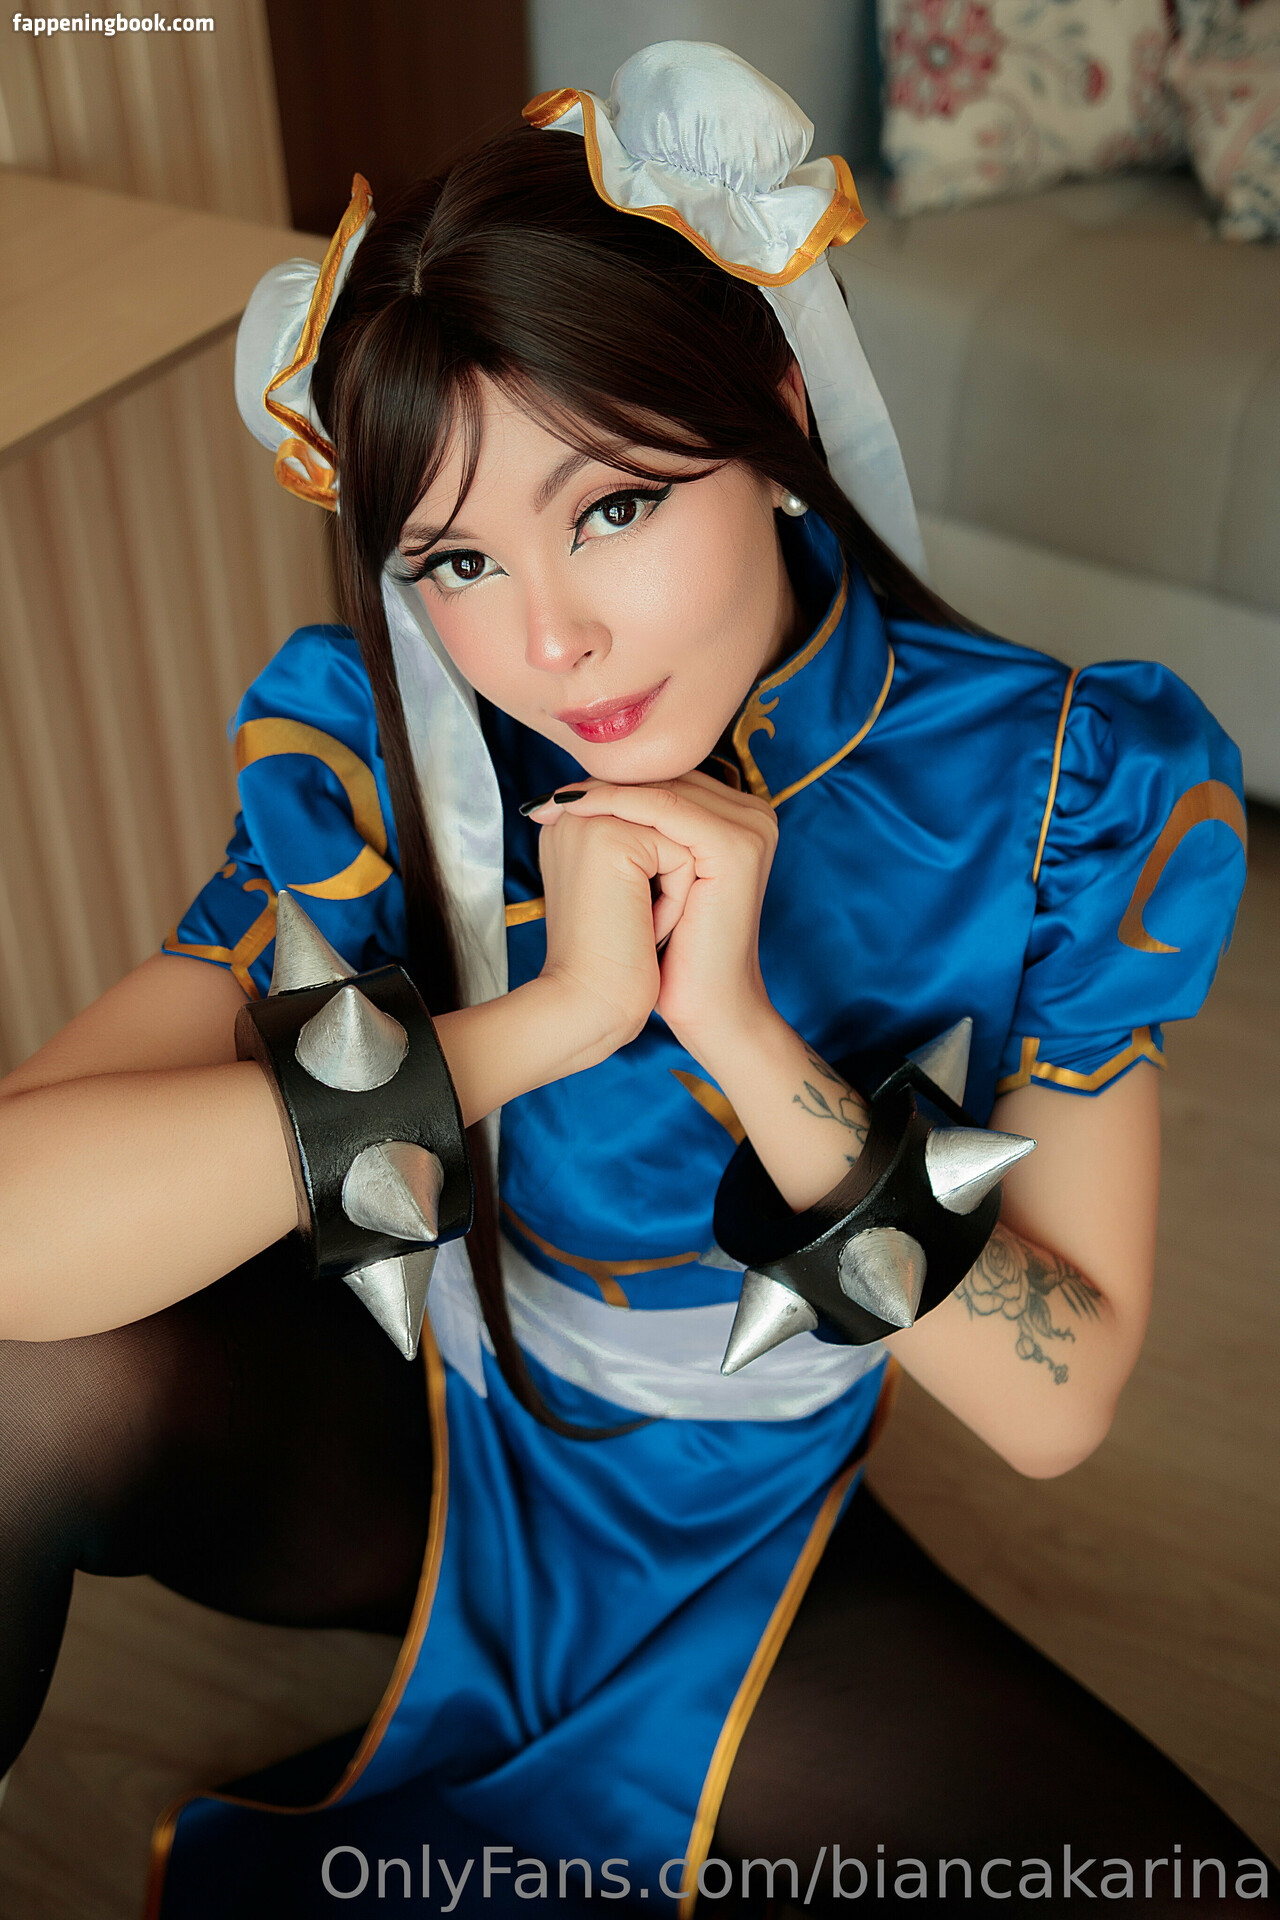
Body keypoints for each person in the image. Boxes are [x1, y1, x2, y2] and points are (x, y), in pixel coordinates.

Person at [0, 40, 1269, 1920]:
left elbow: (1057, 1399)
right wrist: (548, 1022)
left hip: (751, 1533)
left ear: (773, 420)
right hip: (424, 1445)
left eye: (611, 507)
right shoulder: (373, 743)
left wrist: (743, 1039)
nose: (551, 641)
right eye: (455, 558)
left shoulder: (1063, 785)